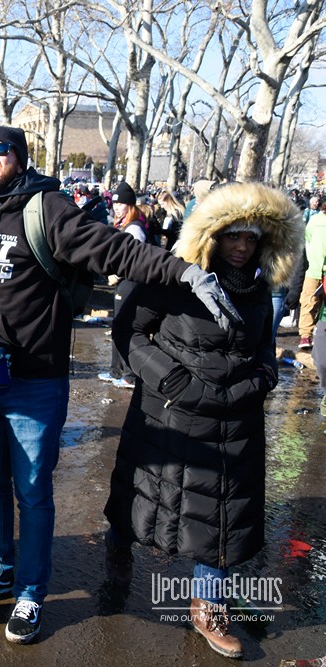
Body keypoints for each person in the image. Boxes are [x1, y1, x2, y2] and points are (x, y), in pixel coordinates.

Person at [0, 125, 241, 645]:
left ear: (19, 158)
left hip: (35, 383)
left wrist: (185, 273)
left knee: (33, 493)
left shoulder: (47, 209)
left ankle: (30, 593)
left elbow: (116, 252)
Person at [104, 182, 301, 659]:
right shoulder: (172, 278)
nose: (241, 247)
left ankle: (208, 605)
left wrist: (264, 378)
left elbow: (261, 350)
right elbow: (127, 330)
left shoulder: (257, 288)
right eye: (232, 235)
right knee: (142, 497)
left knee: (222, 517)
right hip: (170, 416)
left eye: (251, 238)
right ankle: (117, 553)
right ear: (211, 235)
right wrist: (170, 381)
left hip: (237, 421)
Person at [97, 181, 148, 389]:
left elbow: (138, 259)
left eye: (121, 204)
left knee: (125, 325)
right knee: (118, 324)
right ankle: (116, 370)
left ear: (130, 205)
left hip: (131, 282)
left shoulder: (135, 228)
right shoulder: (123, 225)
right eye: (115, 204)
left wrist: (118, 274)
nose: (116, 207)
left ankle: (129, 375)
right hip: (122, 280)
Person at [297, 198, 326, 350]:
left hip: (319, 268)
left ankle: (318, 334)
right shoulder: (314, 220)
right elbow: (307, 241)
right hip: (314, 269)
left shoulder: (314, 220)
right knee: (309, 301)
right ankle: (305, 335)